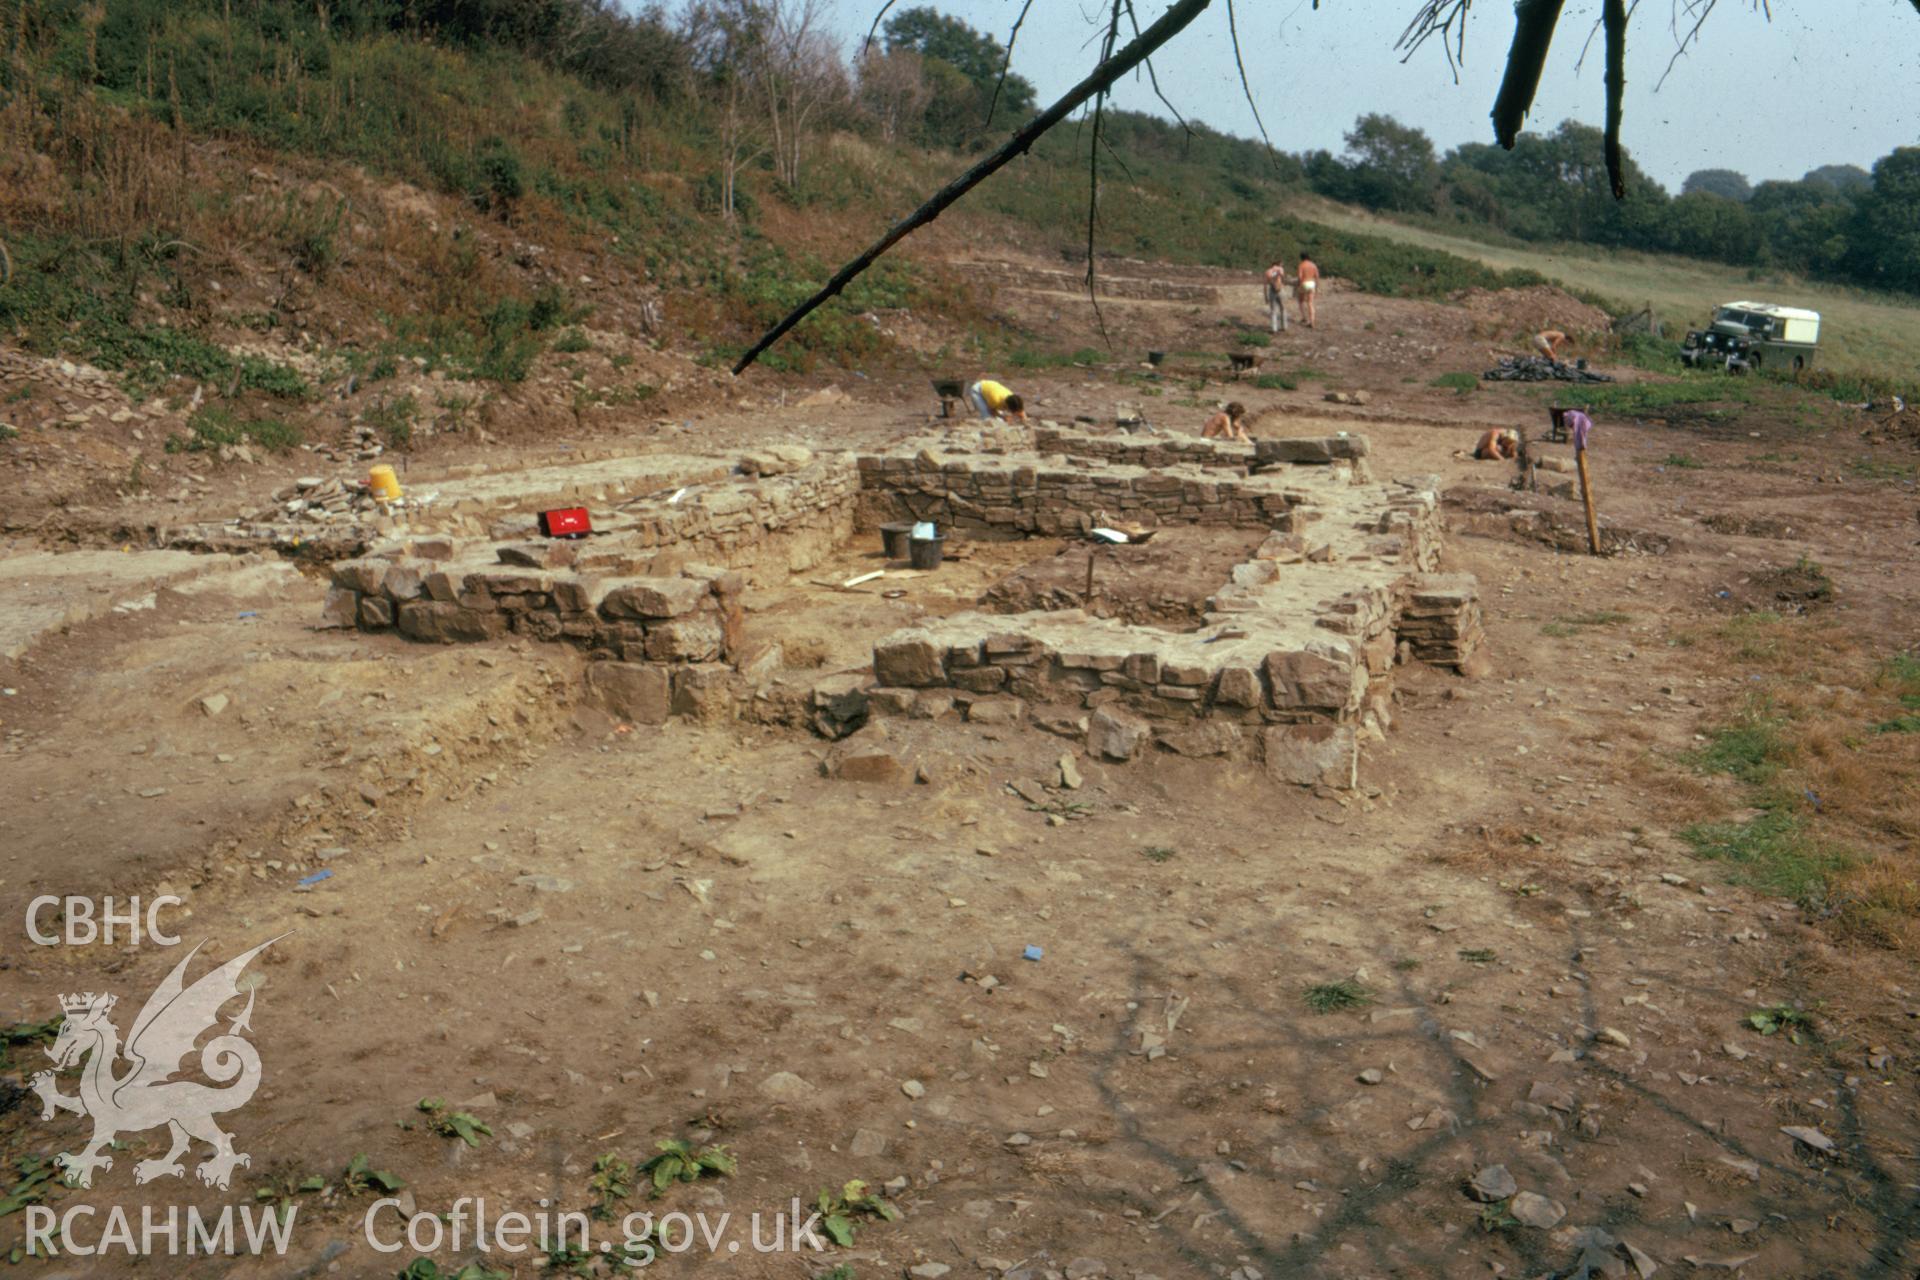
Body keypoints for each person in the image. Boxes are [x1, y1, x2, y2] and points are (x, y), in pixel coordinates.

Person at [1262, 258, 1289, 334]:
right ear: (1278, 264)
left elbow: (1265, 285)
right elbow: (1284, 279)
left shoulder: (1267, 271)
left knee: (1273, 310)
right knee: (1283, 308)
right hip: (1280, 290)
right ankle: (1284, 326)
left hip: (1272, 291)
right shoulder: (1280, 269)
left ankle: (1274, 328)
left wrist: (1266, 297)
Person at [1294, 252, 1320, 328]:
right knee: (1310, 303)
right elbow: (1317, 276)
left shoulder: (1301, 265)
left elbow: (1299, 276)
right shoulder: (1313, 265)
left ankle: (1304, 317)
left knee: (1300, 301)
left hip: (1304, 283)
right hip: (1312, 283)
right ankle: (1312, 321)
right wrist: (1317, 287)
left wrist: (1298, 285)